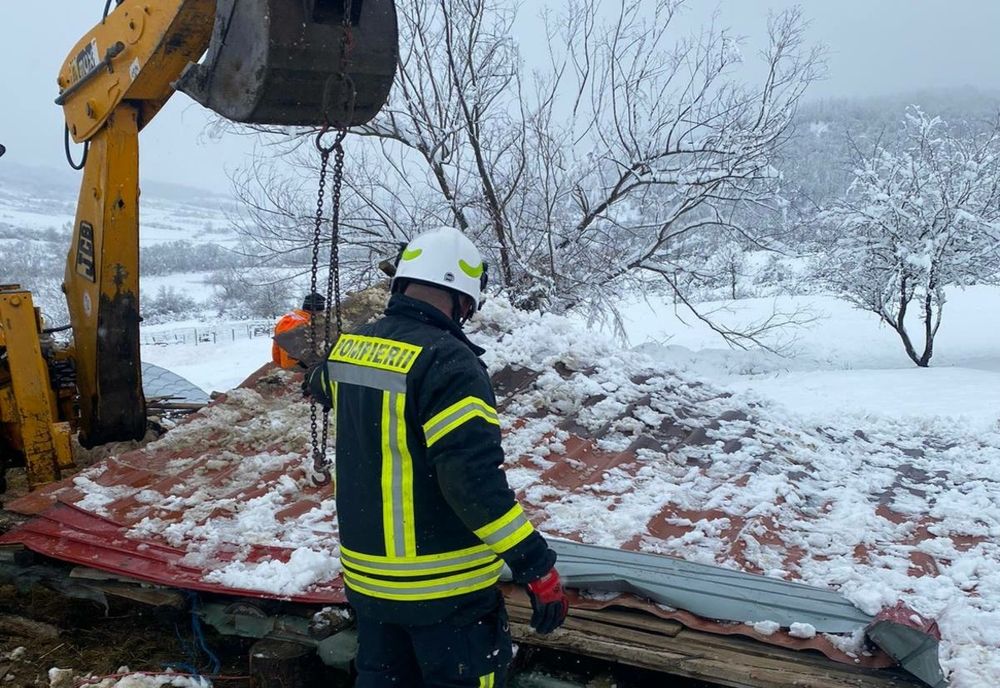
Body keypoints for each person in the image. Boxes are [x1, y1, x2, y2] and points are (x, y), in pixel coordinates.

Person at [307, 227, 568, 687]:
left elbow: (320, 386)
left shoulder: (348, 350)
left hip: (369, 587)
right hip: (447, 595)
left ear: (402, 283)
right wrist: (536, 564)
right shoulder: (449, 363)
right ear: (464, 301)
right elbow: (471, 485)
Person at [271, 292, 326, 369]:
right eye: (321, 311)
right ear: (316, 310)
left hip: (286, 370)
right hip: (302, 371)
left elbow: (276, 351)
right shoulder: (309, 324)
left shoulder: (284, 320)